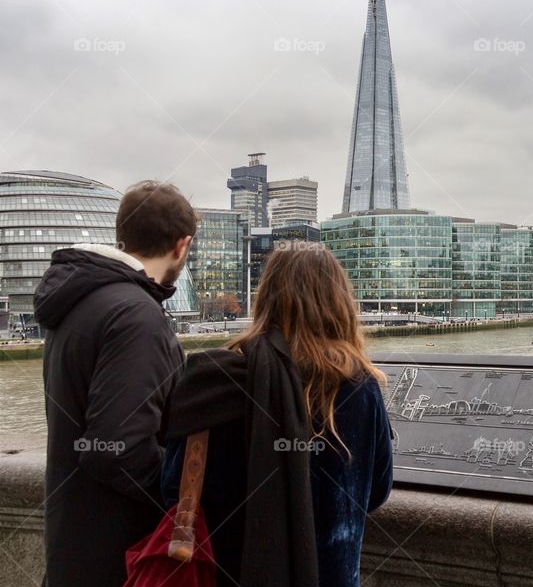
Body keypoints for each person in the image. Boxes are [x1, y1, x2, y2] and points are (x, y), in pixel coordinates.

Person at [161, 243, 393, 586]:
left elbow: (172, 489)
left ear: (266, 298)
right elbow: (377, 490)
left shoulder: (216, 381)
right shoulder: (359, 388)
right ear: (340, 303)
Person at [35, 181, 196, 586]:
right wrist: (180, 497)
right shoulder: (135, 316)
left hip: (75, 543)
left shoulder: (82, 300)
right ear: (182, 245)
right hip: (120, 556)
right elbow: (116, 450)